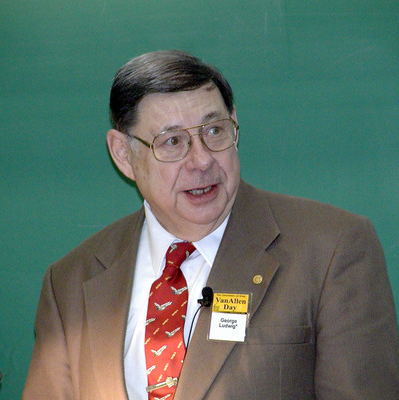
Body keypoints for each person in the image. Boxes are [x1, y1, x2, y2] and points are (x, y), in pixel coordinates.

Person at [23, 50, 399, 400]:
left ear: (235, 125)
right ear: (123, 155)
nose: (201, 160)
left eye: (215, 131)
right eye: (172, 142)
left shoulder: (332, 249)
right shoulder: (71, 282)